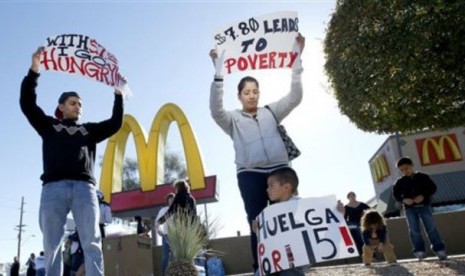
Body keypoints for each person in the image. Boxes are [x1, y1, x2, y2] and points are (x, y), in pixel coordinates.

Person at [19, 47, 124, 276]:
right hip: (52, 189)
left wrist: (118, 94)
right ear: (61, 106)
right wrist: (34, 70)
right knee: (52, 245)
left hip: (84, 190)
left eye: (80, 104)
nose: (78, 106)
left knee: (92, 243)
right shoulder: (49, 126)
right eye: (73, 103)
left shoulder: (89, 131)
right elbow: (27, 104)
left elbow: (115, 123)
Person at [209, 33, 305, 272]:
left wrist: (296, 59)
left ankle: (293, 265)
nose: (251, 95)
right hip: (250, 174)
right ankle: (261, 267)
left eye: (255, 91)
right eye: (246, 92)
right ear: (239, 95)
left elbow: (295, 97)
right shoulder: (232, 119)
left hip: (281, 170)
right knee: (258, 221)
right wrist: (218, 72)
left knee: (288, 217)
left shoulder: (271, 111)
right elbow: (215, 109)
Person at [392, 157, 447, 261]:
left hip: (424, 206)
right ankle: (419, 251)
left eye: (407, 168)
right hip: (409, 209)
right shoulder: (399, 182)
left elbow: (432, 188)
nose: (405, 171)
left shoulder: (423, 177)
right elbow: (395, 195)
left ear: (412, 165)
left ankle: (440, 250)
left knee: (431, 228)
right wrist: (404, 199)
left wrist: (423, 196)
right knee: (414, 230)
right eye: (402, 170)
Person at [155, 193, 175, 276]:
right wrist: (158, 230)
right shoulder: (163, 210)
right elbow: (157, 222)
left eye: (173, 200)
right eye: (170, 200)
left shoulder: (178, 209)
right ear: (167, 201)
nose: (171, 201)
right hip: (166, 235)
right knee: (165, 257)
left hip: (176, 236)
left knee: (175, 256)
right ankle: (164, 274)